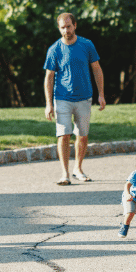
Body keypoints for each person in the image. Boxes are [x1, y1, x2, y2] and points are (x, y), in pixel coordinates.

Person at [43, 12, 106, 186]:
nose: (66, 30)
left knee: (83, 135)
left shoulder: (86, 45)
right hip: (62, 98)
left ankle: (78, 168)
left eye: (69, 26)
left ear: (75, 26)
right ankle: (65, 173)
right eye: (62, 27)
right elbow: (49, 77)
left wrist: (101, 94)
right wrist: (49, 104)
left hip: (84, 98)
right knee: (63, 134)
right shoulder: (54, 49)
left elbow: (97, 69)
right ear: (59, 28)